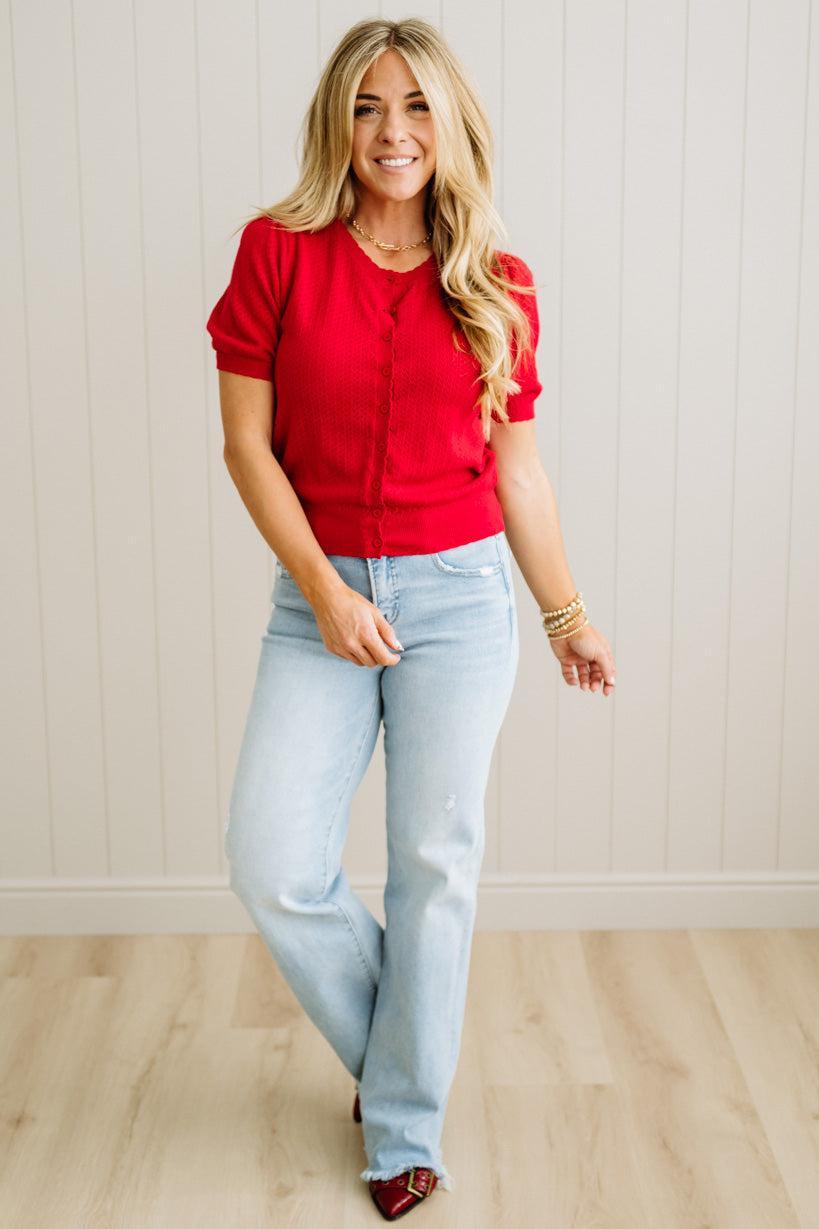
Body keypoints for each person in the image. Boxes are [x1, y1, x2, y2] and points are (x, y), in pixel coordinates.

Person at [206, 16, 616, 1222]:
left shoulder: (498, 279)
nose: (394, 132)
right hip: (317, 591)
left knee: (436, 864)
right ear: (340, 120)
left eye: (418, 107)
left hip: (461, 598)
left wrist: (566, 614)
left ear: (453, 124)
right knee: (272, 856)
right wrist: (327, 591)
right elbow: (245, 445)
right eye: (371, 106)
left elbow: (519, 474)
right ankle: (404, 1054)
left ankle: (400, 1127)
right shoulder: (274, 252)